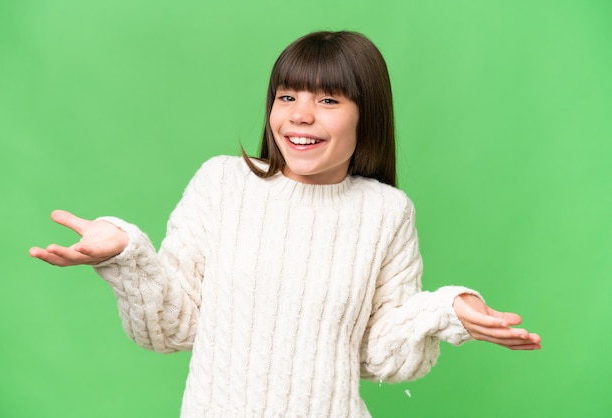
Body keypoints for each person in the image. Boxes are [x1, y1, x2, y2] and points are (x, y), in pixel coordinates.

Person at [29, 31, 541, 417]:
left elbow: (384, 357)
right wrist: (128, 254)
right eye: (287, 96)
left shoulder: (386, 211)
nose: (299, 116)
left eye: (328, 100)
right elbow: (171, 329)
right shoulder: (222, 183)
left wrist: (445, 310)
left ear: (366, 115)